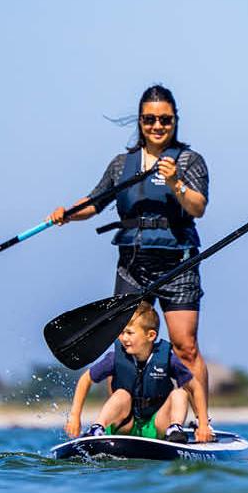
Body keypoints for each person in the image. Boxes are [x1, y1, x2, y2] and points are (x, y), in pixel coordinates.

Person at [50, 85, 211, 400]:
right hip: (132, 265)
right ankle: (121, 422)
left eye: (165, 120)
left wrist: (176, 182)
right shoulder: (121, 164)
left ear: (174, 120)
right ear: (140, 121)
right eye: (150, 119)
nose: (157, 126)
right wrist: (67, 213)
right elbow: (94, 203)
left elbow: (198, 207)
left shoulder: (190, 161)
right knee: (125, 349)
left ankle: (200, 423)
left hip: (178, 263)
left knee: (185, 346)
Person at [64, 302, 214, 443]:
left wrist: (203, 424)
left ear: (150, 336)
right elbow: (86, 379)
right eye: (121, 332)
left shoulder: (168, 359)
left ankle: (175, 429)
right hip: (126, 424)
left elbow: (195, 386)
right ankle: (97, 428)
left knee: (180, 393)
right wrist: (75, 416)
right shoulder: (114, 358)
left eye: (129, 333)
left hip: (157, 424)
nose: (123, 338)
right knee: (121, 394)